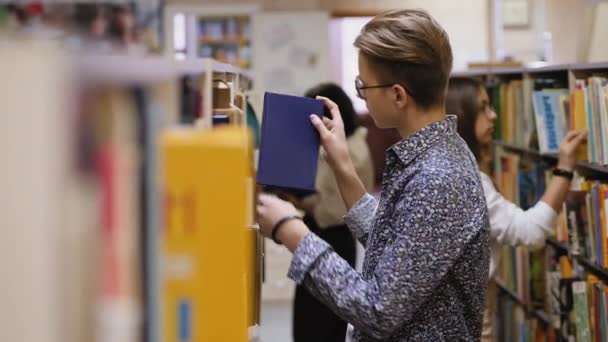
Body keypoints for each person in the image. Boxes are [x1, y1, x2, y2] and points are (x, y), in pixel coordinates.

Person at [256, 9, 490, 341]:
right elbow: (399, 248)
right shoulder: (435, 153)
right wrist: (342, 166)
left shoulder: (437, 178)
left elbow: (377, 309)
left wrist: (291, 231)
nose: (361, 94)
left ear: (398, 95)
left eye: (363, 85)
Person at [446, 76, 588, 341]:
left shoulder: (449, 171)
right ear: (462, 116)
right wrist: (565, 168)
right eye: (484, 107)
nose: (494, 115)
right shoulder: (470, 182)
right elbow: (530, 231)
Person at [291, 83, 374, 342]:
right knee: (311, 318)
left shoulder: (352, 152)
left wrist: (294, 204)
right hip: (326, 234)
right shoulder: (347, 144)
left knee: (321, 323)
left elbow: (332, 210)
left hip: (334, 238)